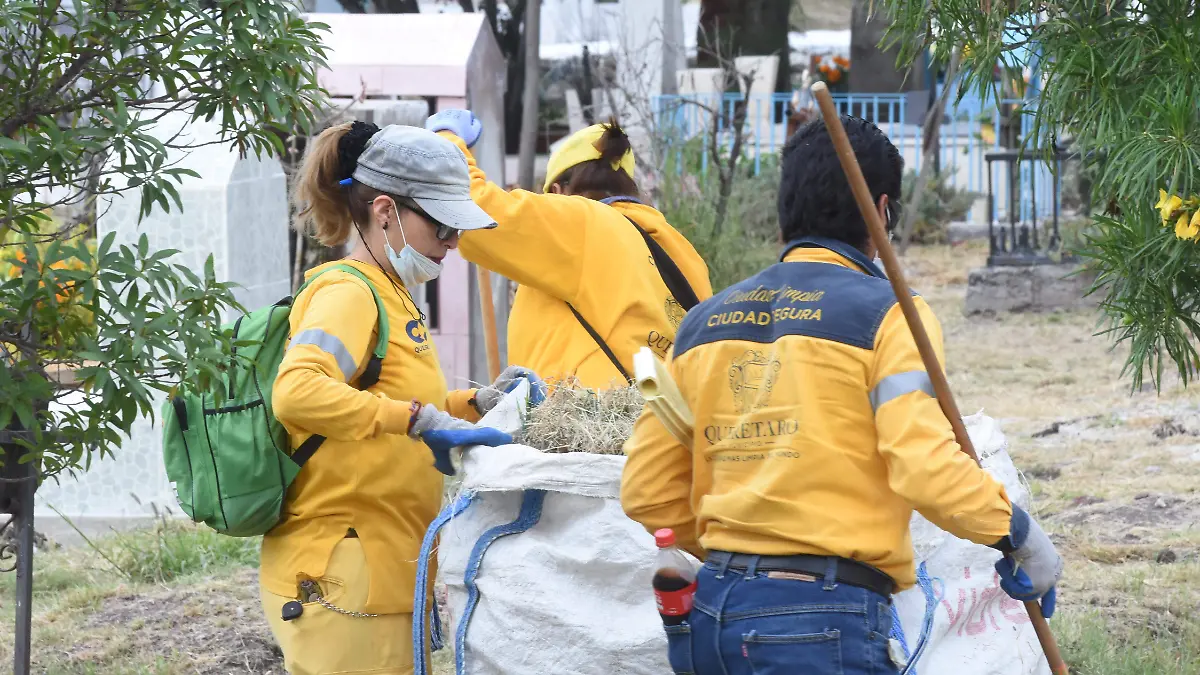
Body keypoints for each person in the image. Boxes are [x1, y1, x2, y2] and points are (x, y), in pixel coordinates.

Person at [620, 116, 1063, 675]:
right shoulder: (892, 316)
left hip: (709, 619)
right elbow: (922, 465)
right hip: (819, 625)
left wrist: (747, 560)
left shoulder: (702, 325)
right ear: (882, 212)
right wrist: (1019, 534)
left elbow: (646, 490)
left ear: (784, 214)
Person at [262, 121, 542, 675]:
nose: (454, 242)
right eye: (441, 225)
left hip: (383, 576)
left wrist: (473, 403)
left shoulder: (393, 295)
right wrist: (416, 419)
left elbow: (391, 394)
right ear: (386, 210)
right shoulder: (348, 290)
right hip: (343, 577)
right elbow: (296, 392)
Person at [424, 110, 714, 388]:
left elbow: (475, 206)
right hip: (663, 425)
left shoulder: (583, 223)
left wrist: (446, 139)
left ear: (557, 193)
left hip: (589, 425)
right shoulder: (681, 249)